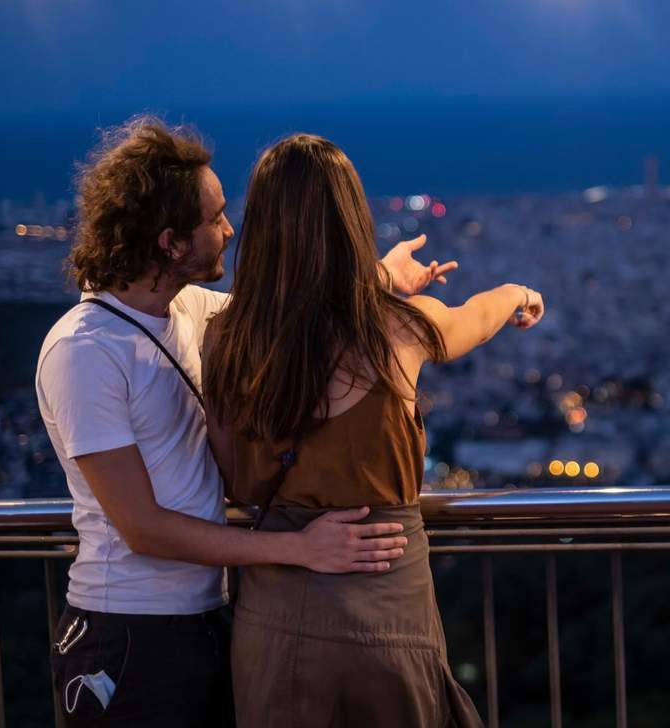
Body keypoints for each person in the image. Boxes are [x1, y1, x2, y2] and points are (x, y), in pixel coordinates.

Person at [36, 116, 454, 727]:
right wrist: (298, 549)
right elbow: (142, 527)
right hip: (128, 634)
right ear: (171, 243)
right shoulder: (85, 350)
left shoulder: (188, 309)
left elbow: (297, 309)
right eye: (214, 220)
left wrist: (385, 277)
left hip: (207, 618)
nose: (230, 231)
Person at [202, 133, 544, 727]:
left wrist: (382, 280)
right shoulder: (400, 331)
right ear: (353, 223)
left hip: (275, 615)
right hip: (386, 609)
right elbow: (474, 317)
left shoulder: (226, 338)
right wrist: (517, 292)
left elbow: (302, 327)